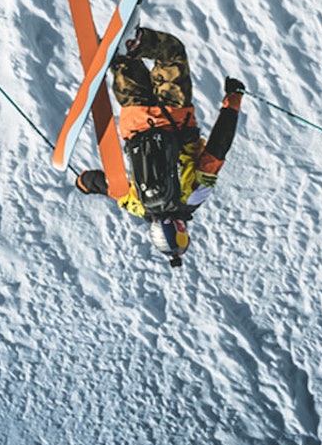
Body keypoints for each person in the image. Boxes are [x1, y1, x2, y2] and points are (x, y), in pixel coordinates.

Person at [75, 14, 244, 267]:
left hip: (174, 114)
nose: (183, 230)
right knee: (124, 64)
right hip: (134, 119)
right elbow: (108, 186)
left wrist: (233, 100)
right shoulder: (139, 206)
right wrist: (84, 182)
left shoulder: (194, 196)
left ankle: (134, 42)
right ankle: (124, 53)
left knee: (172, 55)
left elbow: (218, 149)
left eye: (181, 235)